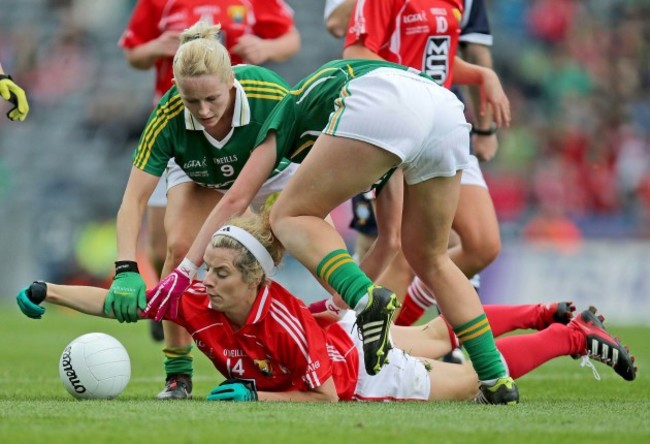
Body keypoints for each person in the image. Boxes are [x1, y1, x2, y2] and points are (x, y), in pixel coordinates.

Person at [148, 57, 518, 403]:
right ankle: (494, 378)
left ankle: (366, 300)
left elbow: (234, 200)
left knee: (287, 216)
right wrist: (340, 304)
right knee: (431, 257)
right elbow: (389, 238)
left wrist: (183, 272)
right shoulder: (355, 145)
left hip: (383, 98)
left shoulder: (279, 118)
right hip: (443, 106)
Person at [16, 213, 637, 402]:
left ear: (256, 281)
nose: (206, 280)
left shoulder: (277, 321)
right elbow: (123, 305)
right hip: (344, 332)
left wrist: (258, 397)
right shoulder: (195, 296)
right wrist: (51, 292)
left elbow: (327, 399)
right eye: (208, 267)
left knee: (475, 374)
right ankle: (544, 311)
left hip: (360, 371)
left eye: (221, 272)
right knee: (431, 331)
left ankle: (574, 335)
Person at [105, 21, 298, 400]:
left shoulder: (269, 93)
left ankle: (348, 346)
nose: (204, 111)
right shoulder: (168, 115)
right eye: (192, 101)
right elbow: (133, 200)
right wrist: (125, 267)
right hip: (203, 175)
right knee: (179, 249)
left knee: (311, 240)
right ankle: (178, 374)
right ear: (178, 90)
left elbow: (315, 149)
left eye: (213, 99)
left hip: (273, 171)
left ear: (231, 83)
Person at [337, 0, 504, 327]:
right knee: (403, 254)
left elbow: (436, 62)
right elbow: (355, 55)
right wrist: (413, 80)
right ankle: (366, 348)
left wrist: (483, 75)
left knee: (483, 245)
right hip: (401, 126)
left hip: (443, 125)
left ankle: (393, 338)